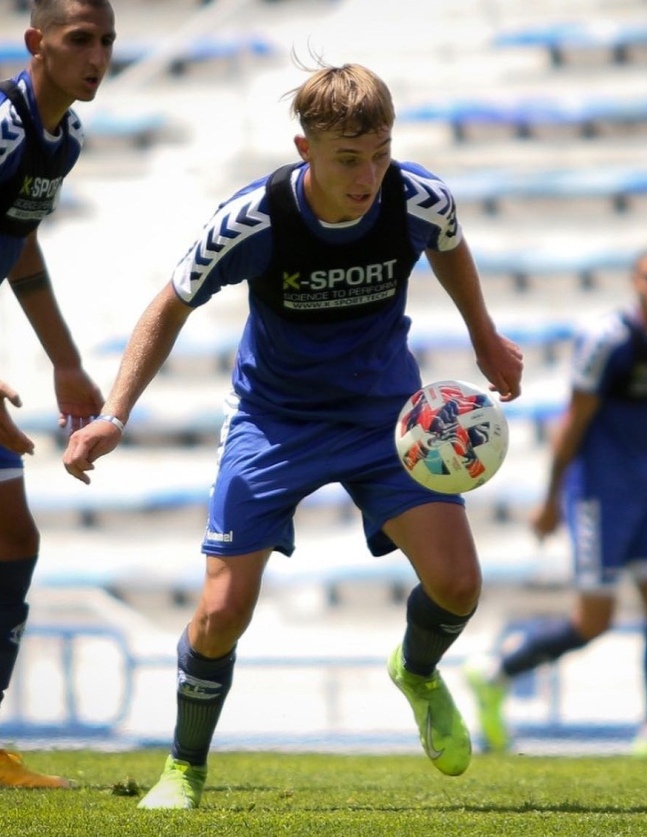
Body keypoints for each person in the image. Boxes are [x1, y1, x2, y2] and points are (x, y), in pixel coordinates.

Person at [63, 61, 523, 809]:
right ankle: (184, 768)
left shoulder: (418, 197)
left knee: (459, 585)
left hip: (384, 418)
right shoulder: (256, 218)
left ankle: (416, 669)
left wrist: (486, 336)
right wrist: (115, 413)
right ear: (304, 148)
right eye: (348, 158)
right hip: (274, 421)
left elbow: (450, 244)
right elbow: (168, 306)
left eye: (380, 153)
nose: (368, 174)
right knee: (220, 613)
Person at [466, 248, 647, 758]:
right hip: (598, 492)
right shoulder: (607, 341)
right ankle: (496, 674)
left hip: (643, 488)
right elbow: (572, 421)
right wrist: (551, 499)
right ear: (635, 282)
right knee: (594, 620)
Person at [0, 0, 115, 789]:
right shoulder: (4, 127)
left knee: (13, 539)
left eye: (107, 41)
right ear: (36, 42)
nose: (98, 55)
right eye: (81, 40)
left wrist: (65, 361)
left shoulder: (59, 138)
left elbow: (17, 240)